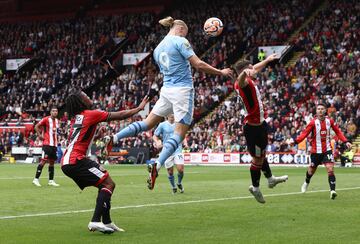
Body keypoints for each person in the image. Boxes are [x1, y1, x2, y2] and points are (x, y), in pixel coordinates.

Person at [103, 16, 232, 190]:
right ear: (180, 29)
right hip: (182, 91)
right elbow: (199, 65)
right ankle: (157, 164)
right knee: (179, 134)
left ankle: (114, 137)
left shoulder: (157, 49)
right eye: (184, 33)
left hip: (167, 90)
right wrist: (221, 72)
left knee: (147, 123)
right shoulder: (180, 41)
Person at [61, 88, 148, 234]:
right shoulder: (91, 114)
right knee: (108, 183)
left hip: (70, 160)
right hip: (76, 160)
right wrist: (139, 108)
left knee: (107, 185)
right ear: (82, 101)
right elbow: (120, 115)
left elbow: (81, 137)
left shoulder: (78, 117)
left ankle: (107, 221)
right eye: (85, 95)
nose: (88, 96)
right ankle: (95, 221)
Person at [232, 54, 288, 204]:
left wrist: (268, 60)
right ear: (245, 71)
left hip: (260, 124)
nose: (254, 70)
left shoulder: (248, 76)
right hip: (253, 128)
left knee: (262, 155)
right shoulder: (242, 83)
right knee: (257, 158)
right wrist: (244, 73)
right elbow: (240, 79)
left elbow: (253, 69)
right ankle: (255, 187)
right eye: (250, 69)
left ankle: (270, 179)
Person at [291, 102, 352, 199]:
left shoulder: (330, 121)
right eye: (318, 109)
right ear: (316, 111)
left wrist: (345, 141)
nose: (320, 110)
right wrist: (295, 142)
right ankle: (306, 182)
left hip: (327, 150)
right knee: (311, 171)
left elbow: (338, 131)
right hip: (315, 151)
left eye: (322, 109)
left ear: (325, 111)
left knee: (330, 169)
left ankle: (332, 191)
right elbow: (304, 134)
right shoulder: (312, 122)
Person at [153, 114, 184, 194]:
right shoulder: (162, 125)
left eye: (173, 113)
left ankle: (179, 183)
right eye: (170, 113)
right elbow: (155, 136)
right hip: (167, 150)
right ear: (167, 115)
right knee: (170, 172)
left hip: (178, 149)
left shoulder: (179, 124)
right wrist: (157, 141)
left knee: (180, 169)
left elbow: (183, 134)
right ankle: (173, 187)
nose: (172, 115)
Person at [32, 107, 60, 187]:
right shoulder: (46, 119)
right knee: (43, 161)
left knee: (52, 162)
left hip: (54, 145)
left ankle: (51, 180)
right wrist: (39, 135)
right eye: (53, 111)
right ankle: (36, 179)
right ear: (50, 112)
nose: (55, 112)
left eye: (56, 111)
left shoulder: (57, 121)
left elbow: (56, 132)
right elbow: (36, 126)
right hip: (47, 144)